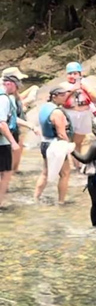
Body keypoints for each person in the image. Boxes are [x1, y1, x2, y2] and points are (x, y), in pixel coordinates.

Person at [33, 87, 74, 204]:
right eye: (62, 95)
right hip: (56, 145)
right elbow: (61, 133)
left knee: (45, 172)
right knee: (65, 173)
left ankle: (35, 197)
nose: (65, 97)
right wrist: (69, 146)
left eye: (65, 94)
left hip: (45, 142)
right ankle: (61, 201)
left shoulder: (45, 107)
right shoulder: (57, 112)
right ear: (54, 96)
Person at [61, 62, 96, 170]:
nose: (72, 76)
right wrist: (73, 89)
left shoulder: (85, 84)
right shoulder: (63, 86)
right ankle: (68, 165)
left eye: (75, 73)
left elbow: (95, 98)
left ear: (80, 74)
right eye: (70, 73)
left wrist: (85, 88)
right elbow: (62, 100)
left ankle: (77, 165)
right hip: (70, 113)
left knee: (79, 142)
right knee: (68, 141)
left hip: (84, 114)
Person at [1, 71, 40, 173]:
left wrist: (33, 88)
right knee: (10, 160)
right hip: (12, 129)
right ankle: (11, 173)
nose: (20, 83)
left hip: (14, 127)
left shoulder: (12, 95)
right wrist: (30, 126)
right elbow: (7, 119)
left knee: (16, 151)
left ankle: (12, 173)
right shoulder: (6, 98)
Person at [0, 77, 21, 207]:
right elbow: (2, 124)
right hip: (2, 142)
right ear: (9, 84)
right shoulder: (3, 98)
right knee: (6, 174)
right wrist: (13, 142)